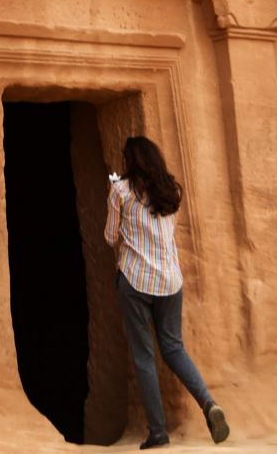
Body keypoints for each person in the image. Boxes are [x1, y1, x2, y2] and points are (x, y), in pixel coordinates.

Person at [105, 135, 230, 449]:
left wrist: (118, 209)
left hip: (135, 281)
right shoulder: (171, 191)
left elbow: (109, 237)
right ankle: (209, 404)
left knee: (144, 355)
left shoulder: (120, 191)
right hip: (170, 281)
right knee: (174, 348)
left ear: (130, 161)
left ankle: (158, 432)